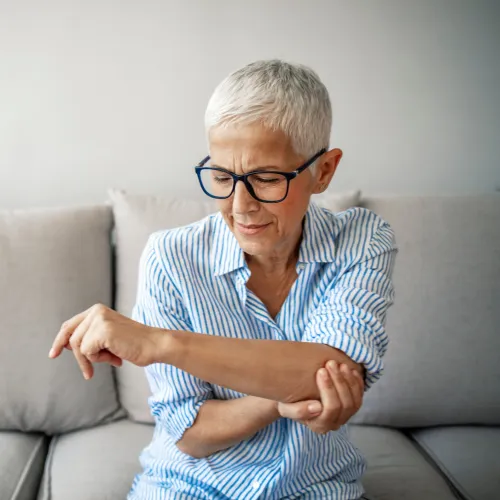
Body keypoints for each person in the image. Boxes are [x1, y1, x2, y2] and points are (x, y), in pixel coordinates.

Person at [49, 60, 397, 500]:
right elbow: (191, 433)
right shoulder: (170, 257)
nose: (238, 206)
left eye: (266, 179)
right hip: (188, 487)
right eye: (221, 176)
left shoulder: (363, 240)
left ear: (323, 171)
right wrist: (283, 396)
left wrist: (162, 343)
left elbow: (326, 371)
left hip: (317, 488)